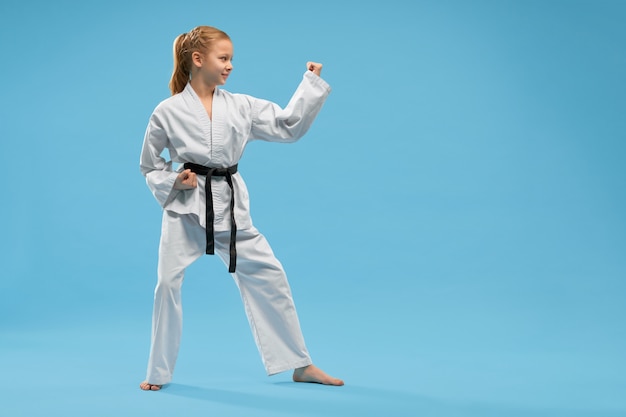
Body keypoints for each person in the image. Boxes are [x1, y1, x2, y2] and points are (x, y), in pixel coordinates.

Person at [138, 25, 343, 391]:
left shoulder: (242, 106)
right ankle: (158, 372)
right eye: (224, 58)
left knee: (270, 275)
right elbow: (149, 165)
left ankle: (300, 363)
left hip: (229, 207)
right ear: (198, 60)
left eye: (231, 58)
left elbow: (287, 126)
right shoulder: (167, 111)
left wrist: (309, 84)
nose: (230, 65)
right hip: (185, 209)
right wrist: (173, 181)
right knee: (167, 283)